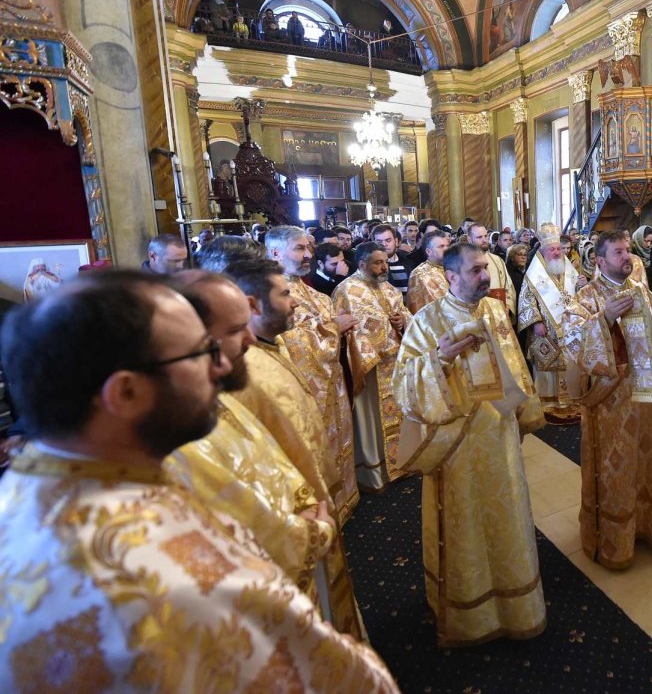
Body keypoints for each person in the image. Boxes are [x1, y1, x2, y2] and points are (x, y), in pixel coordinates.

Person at [0, 271, 397, 692]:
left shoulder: (31, 490)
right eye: (200, 353)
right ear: (126, 393)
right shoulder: (161, 572)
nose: (222, 366)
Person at [394, 242, 546, 646]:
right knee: (466, 525)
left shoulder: (495, 311)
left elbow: (514, 362)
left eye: (487, 269)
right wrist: (438, 360)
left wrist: (523, 412)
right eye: (477, 270)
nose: (486, 277)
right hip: (457, 448)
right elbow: (404, 392)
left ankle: (516, 604)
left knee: (508, 515)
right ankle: (473, 615)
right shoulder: (425, 323)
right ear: (451, 276)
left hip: (500, 438)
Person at [164, 270, 336, 603]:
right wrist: (313, 532)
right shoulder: (176, 437)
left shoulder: (217, 394)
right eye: (233, 330)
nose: (251, 339)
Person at [223, 258, 364, 638]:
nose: (296, 301)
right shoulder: (245, 372)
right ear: (253, 305)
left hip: (312, 506)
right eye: (285, 294)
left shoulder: (269, 350)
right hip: (296, 518)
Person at [562, 231, 652, 569]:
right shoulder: (587, 297)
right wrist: (603, 319)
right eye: (618, 252)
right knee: (613, 466)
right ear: (599, 260)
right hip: (610, 401)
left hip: (644, 396)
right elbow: (573, 342)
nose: (626, 257)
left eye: (627, 251)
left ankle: (649, 527)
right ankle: (613, 541)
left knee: (648, 460)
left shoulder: (642, 292)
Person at [267, 227, 359, 522]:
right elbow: (289, 343)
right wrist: (333, 327)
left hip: (331, 384)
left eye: (308, 248)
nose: (308, 254)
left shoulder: (312, 294)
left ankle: (343, 501)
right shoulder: (271, 293)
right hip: (303, 390)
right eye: (299, 249)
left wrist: (332, 327)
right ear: (275, 253)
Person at [333, 242, 412, 491]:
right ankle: (375, 473)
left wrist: (403, 321)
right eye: (378, 263)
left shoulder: (388, 288)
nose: (384, 267)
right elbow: (349, 327)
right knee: (372, 419)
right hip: (370, 366)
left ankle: (403, 463)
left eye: (385, 262)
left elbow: (404, 311)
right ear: (362, 264)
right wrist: (382, 336)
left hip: (395, 364)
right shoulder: (347, 290)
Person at [518, 223, 582, 423]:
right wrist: (536, 322)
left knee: (570, 364)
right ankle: (549, 404)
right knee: (549, 367)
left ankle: (572, 401)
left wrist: (583, 286)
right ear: (543, 251)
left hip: (570, 328)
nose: (556, 253)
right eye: (552, 249)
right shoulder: (533, 274)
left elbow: (578, 296)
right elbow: (526, 300)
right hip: (545, 330)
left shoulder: (569, 270)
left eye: (558, 249)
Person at [469, 223, 517, 318]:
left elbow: (508, 286)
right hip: (475, 315)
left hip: (499, 314)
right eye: (479, 237)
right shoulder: (463, 262)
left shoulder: (497, 260)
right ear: (469, 239)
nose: (484, 240)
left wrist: (508, 306)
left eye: (485, 236)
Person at [407, 229, 452, 314]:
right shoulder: (419, 274)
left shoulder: (454, 268)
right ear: (428, 251)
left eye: (447, 246)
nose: (446, 249)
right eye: (441, 246)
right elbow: (418, 310)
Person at [371, 223, 410, 297]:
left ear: (396, 241)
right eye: (379, 242)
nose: (384, 244)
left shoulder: (409, 262)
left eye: (388, 240)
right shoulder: (370, 268)